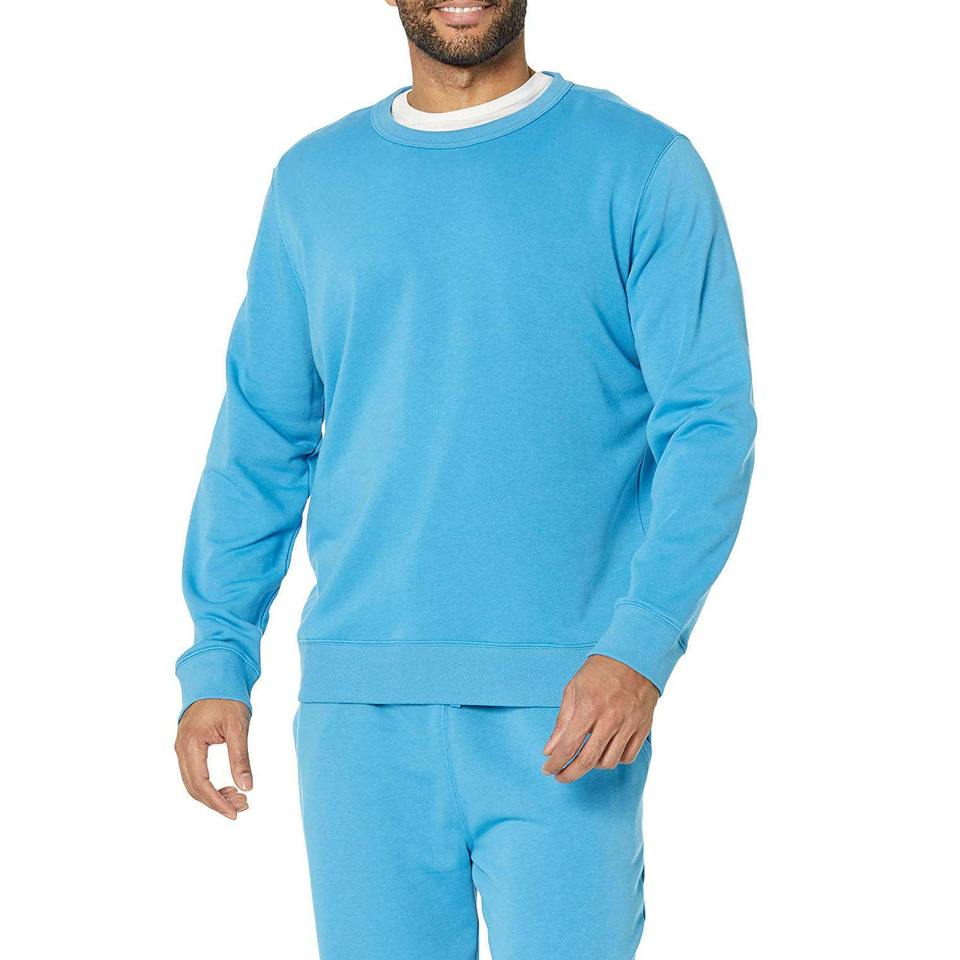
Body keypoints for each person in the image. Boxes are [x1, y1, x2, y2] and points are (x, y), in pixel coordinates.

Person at [173, 2, 756, 956]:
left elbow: (708, 426)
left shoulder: (643, 165)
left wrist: (641, 645)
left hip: (571, 701)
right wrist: (218, 658)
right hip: (358, 709)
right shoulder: (313, 183)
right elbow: (263, 437)